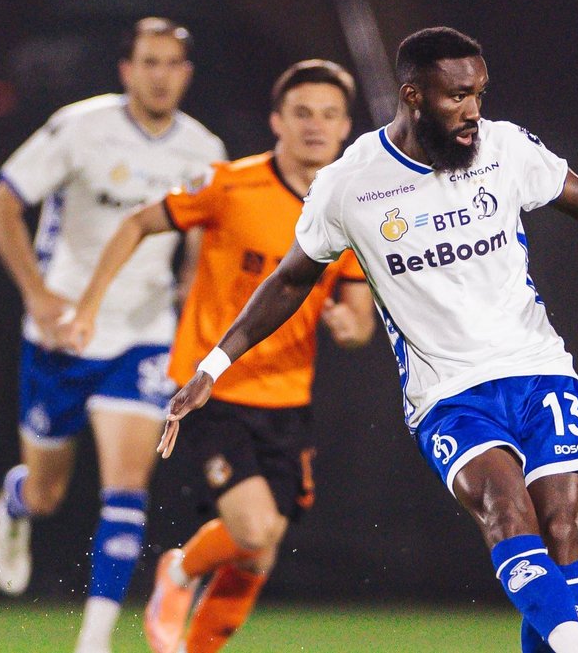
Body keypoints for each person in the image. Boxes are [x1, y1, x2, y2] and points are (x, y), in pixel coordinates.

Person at [158, 27, 578, 653]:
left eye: (479, 94)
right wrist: (214, 364)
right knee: (505, 509)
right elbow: (289, 281)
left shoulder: (504, 147)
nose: (473, 111)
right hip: (448, 393)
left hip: (538, 368)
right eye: (457, 97)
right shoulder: (351, 183)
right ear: (413, 95)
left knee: (560, 531)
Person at [62, 59, 374, 653]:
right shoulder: (230, 185)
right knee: (252, 530)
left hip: (288, 400)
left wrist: (349, 327)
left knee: (258, 554)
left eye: (329, 114)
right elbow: (137, 223)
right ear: (276, 121)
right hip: (214, 389)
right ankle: (179, 571)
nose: (315, 125)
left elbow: (359, 322)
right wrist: (89, 305)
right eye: (302, 113)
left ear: (344, 128)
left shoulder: (348, 212)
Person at [0, 17, 225, 653]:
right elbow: (0, 205)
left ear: (187, 74)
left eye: (172, 64)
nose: (160, 76)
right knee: (47, 493)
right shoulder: (80, 127)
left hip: (143, 333)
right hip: (62, 332)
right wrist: (38, 295)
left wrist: (192, 286)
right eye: (149, 62)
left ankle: (94, 640)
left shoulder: (204, 150)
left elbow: (207, 236)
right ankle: (15, 504)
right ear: (126, 70)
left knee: (127, 487)